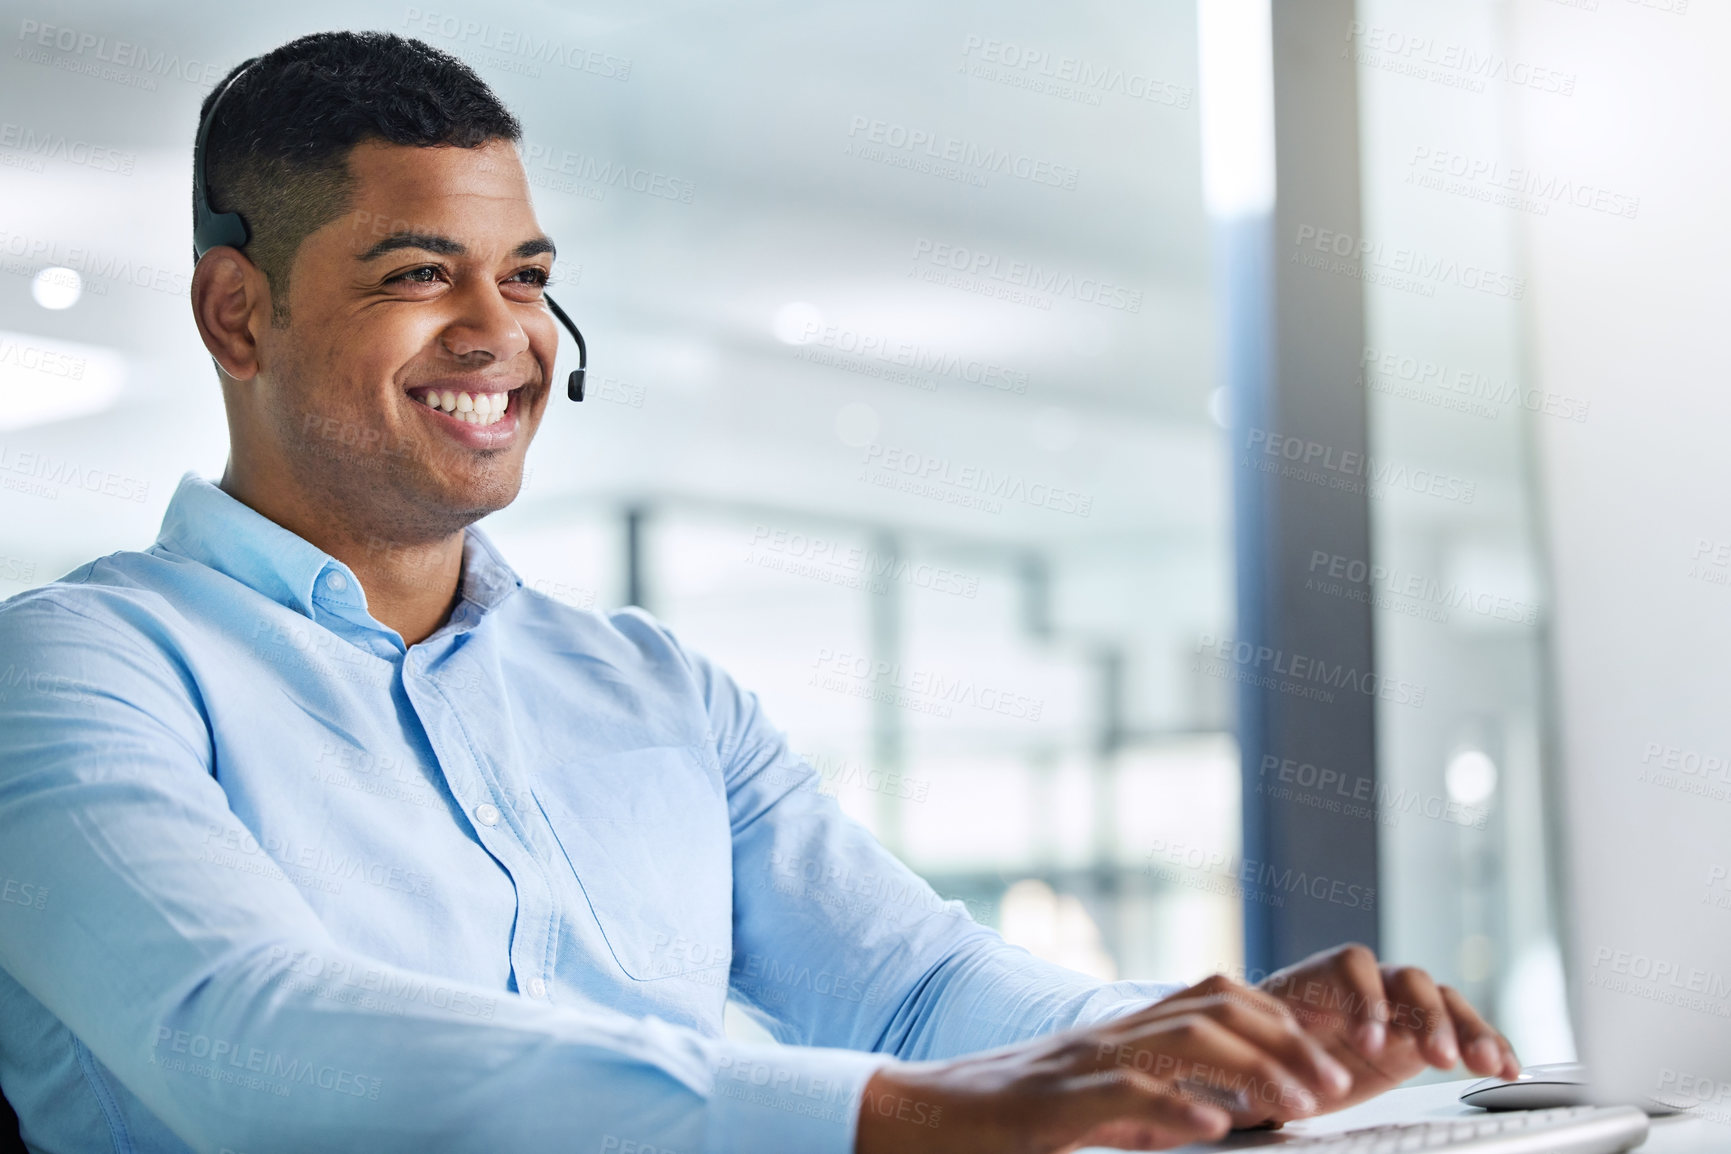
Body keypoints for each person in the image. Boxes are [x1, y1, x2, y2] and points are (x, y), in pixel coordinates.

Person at [0, 30, 1519, 1154]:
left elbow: (919, 991)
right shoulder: (82, 668)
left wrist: (1212, 1044)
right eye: (418, 274)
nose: (501, 332)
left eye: (524, 275)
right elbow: (245, 1037)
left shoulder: (652, 687)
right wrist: (888, 1114)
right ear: (235, 313)